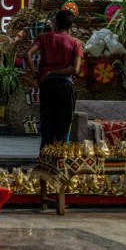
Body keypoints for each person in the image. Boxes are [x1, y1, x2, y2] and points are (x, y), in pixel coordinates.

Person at [26, 10, 83, 152]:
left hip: (47, 86)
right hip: (65, 87)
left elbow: (27, 54)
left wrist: (35, 75)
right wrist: (57, 71)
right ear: (71, 26)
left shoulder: (44, 38)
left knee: (47, 128)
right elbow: (75, 70)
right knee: (63, 130)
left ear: (56, 23)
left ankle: (44, 163)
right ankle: (59, 165)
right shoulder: (76, 43)